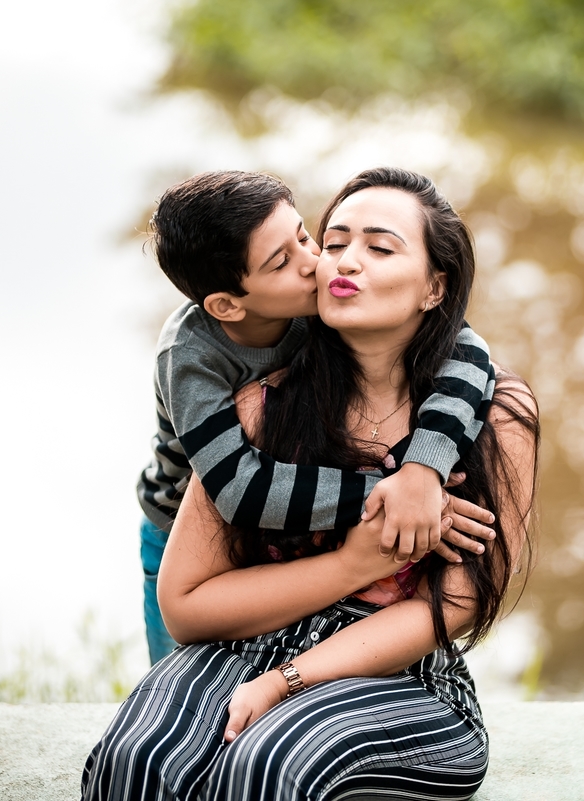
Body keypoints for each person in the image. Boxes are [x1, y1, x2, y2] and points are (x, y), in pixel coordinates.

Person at [83, 168, 539, 800]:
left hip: (401, 673)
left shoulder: (493, 415)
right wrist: (363, 550)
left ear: (435, 287)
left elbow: (455, 606)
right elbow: (187, 604)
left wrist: (286, 682)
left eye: (380, 247)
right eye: (336, 241)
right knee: (139, 759)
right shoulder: (255, 398)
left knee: (268, 764)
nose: (339, 261)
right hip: (244, 644)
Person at [133, 171, 498, 663]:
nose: (316, 264)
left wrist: (422, 469)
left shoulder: (317, 302)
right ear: (227, 305)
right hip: (185, 521)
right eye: (283, 261)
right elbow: (242, 490)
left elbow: (464, 346)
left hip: (287, 521)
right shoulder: (190, 360)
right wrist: (400, 497)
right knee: (176, 668)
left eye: (307, 237)